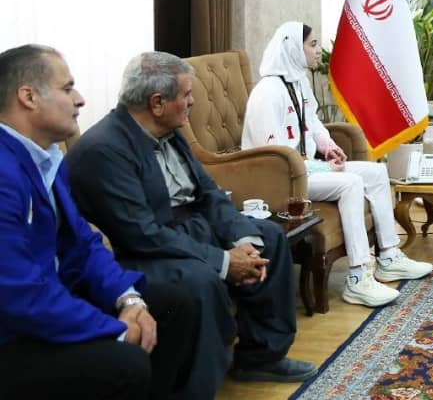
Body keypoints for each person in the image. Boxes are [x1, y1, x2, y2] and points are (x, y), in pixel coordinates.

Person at [67, 51, 317, 396]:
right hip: (142, 252)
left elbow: (209, 193)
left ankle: (260, 358)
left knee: (269, 237)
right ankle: (194, 389)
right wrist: (225, 261)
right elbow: (142, 234)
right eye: (186, 94)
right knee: (201, 281)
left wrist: (242, 239)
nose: (193, 102)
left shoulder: (170, 132)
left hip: (190, 228)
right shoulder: (104, 149)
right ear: (157, 103)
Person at [0, 44, 195, 400]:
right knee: (125, 363)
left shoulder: (46, 157)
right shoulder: (4, 173)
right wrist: (112, 329)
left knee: (173, 305)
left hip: (53, 300)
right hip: (14, 333)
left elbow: (83, 243)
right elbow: (17, 294)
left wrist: (128, 299)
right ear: (28, 97)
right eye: (67, 88)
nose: (80, 99)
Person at [242, 21, 432, 307]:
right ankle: (357, 278)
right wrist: (322, 168)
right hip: (282, 180)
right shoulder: (268, 93)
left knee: (376, 172)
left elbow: (313, 122)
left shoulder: (298, 81)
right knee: (351, 183)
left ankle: (389, 257)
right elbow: (276, 157)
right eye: (312, 44)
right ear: (293, 48)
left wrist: (328, 147)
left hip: (305, 170)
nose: (318, 50)